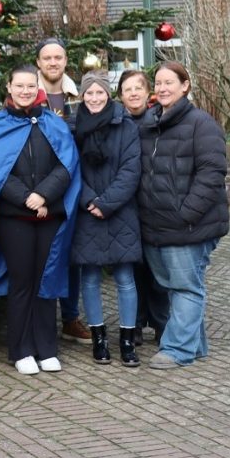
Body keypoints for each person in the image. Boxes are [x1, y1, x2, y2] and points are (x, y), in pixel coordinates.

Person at [0, 64, 80, 375]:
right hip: (15, 218)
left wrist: (45, 196)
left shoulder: (53, 123)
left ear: (38, 89)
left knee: (45, 280)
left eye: (29, 86)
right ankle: (21, 349)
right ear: (8, 86)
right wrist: (28, 199)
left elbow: (67, 164)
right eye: (18, 85)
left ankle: (46, 347)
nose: (24, 91)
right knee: (22, 282)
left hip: (48, 214)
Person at [136, 62, 228, 370]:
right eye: (158, 83)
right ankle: (196, 345)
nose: (162, 88)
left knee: (186, 286)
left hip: (189, 226)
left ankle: (177, 349)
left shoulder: (202, 124)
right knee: (174, 286)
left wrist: (186, 213)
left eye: (169, 83)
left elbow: (212, 173)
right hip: (156, 225)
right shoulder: (149, 124)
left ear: (185, 85)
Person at [69, 72, 142, 366]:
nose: (95, 98)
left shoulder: (125, 125)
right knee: (89, 276)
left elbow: (131, 169)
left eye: (100, 92)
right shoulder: (73, 126)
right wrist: (89, 200)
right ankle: (99, 340)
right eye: (89, 93)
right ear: (82, 96)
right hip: (87, 211)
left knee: (125, 277)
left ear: (108, 94)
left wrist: (107, 202)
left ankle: (126, 341)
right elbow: (71, 167)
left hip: (120, 210)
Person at [35, 37, 92, 346]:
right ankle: (39, 320)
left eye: (58, 57)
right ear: (39, 64)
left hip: (74, 187)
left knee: (71, 255)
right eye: (47, 58)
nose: (53, 62)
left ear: (65, 61)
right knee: (41, 255)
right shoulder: (29, 96)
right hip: (41, 189)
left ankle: (70, 318)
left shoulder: (80, 97)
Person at [118, 69, 168, 345]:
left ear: (148, 93)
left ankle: (162, 324)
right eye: (128, 89)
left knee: (158, 270)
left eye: (139, 88)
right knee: (134, 270)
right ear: (121, 95)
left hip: (154, 206)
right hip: (127, 207)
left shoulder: (159, 122)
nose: (134, 93)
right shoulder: (116, 123)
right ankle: (134, 325)